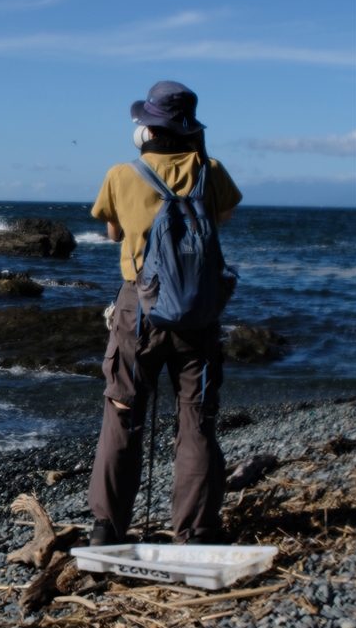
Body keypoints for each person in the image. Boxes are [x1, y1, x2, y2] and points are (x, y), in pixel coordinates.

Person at [86, 81, 242, 547]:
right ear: (190, 128)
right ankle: (196, 531)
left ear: (147, 129)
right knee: (196, 418)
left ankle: (107, 529)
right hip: (198, 308)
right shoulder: (211, 170)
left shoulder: (122, 174)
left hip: (139, 308)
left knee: (123, 412)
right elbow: (223, 218)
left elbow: (114, 233)